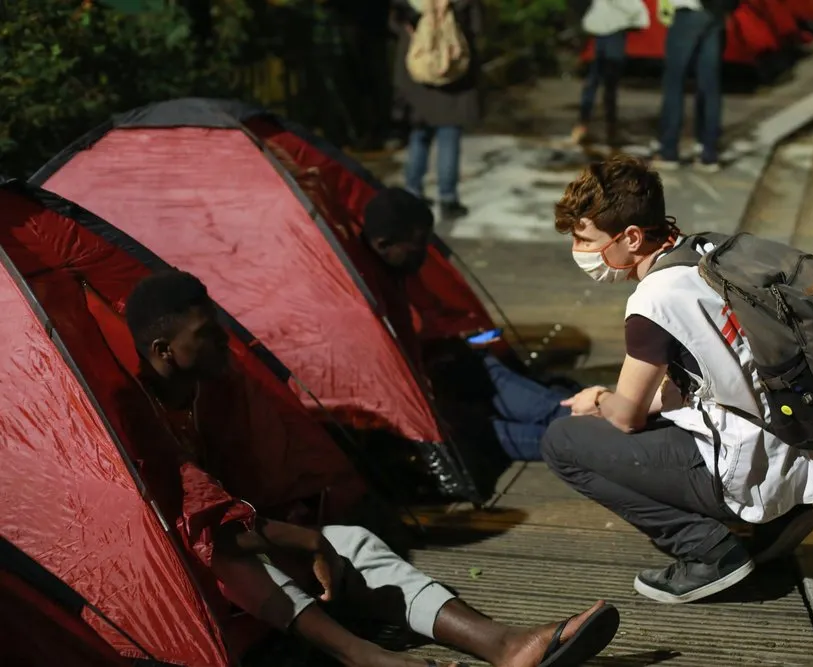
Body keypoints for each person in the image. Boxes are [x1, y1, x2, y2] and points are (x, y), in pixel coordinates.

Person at [123, 270, 620, 667]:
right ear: (164, 351)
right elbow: (207, 526)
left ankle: (505, 644)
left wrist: (307, 530)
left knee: (354, 540)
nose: (224, 341)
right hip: (177, 575)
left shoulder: (212, 389)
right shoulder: (134, 411)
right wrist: (306, 541)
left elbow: (261, 477)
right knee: (232, 560)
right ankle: (365, 657)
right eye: (206, 334)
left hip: (249, 530)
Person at [541, 156, 813, 604]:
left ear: (631, 237)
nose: (580, 251)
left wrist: (596, 399)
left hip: (743, 467)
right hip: (792, 448)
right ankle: (776, 522)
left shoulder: (655, 300)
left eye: (586, 239)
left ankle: (706, 550)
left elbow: (627, 418)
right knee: (651, 416)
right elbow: (699, 378)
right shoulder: (707, 253)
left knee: (562, 441)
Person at [362, 187, 575, 461]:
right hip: (442, 406)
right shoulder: (366, 294)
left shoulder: (398, 272)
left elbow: (437, 326)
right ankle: (606, 439)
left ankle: (607, 431)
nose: (424, 255)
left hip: (461, 367)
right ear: (383, 244)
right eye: (417, 245)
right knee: (553, 431)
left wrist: (469, 340)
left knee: (554, 410)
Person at [390, 0, 483, 222]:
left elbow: (393, 24)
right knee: (449, 136)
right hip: (453, 74)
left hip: (416, 72)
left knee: (419, 134)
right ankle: (448, 198)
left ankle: (413, 192)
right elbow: (476, 26)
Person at [655, 0, 737, 172]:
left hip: (688, 13)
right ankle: (709, 154)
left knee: (674, 82)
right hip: (714, 14)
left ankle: (669, 151)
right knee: (709, 85)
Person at [570, 0, 650, 147]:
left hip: (601, 30)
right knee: (609, 83)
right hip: (614, 32)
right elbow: (631, 7)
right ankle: (609, 129)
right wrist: (640, 17)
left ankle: (584, 126)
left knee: (595, 81)